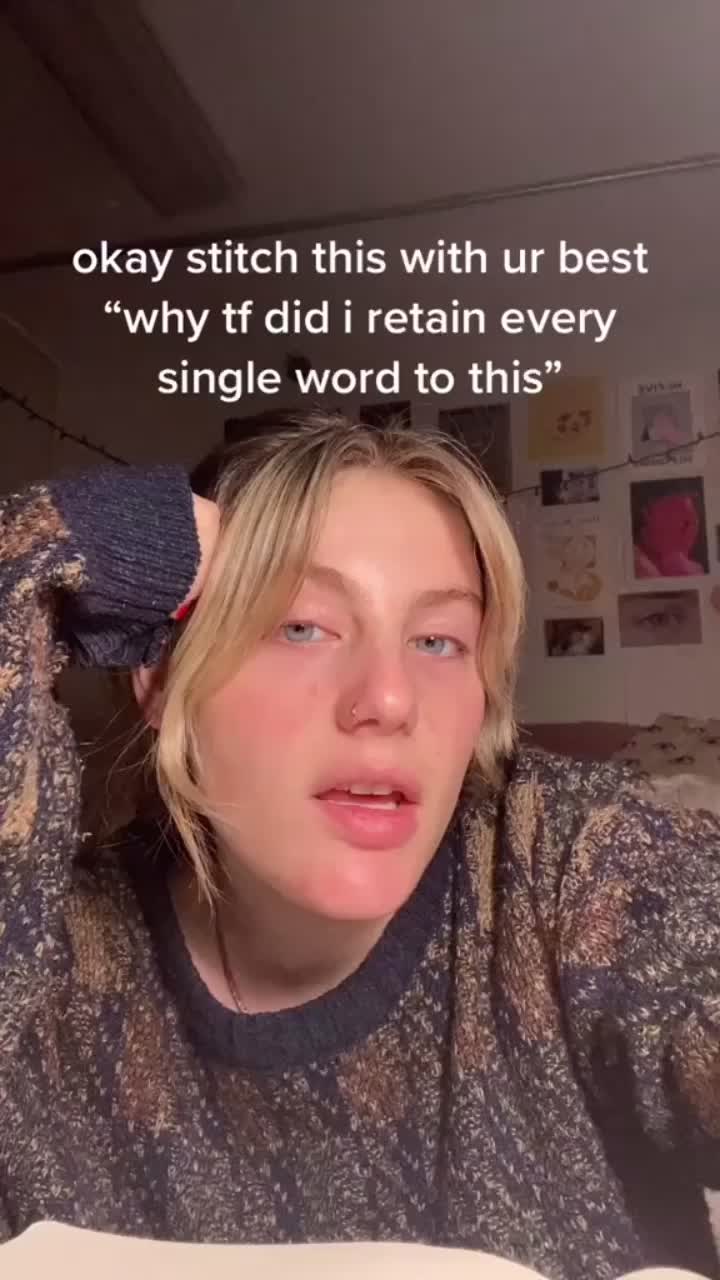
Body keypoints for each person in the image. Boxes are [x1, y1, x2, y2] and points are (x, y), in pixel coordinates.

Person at [1, 410, 720, 1280]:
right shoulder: (43, 950)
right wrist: (27, 552)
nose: (389, 698)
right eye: (301, 625)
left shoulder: (575, 860)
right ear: (161, 676)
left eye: (438, 641)